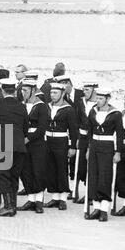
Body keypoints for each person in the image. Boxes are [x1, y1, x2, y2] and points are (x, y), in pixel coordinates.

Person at [0, 78, 28, 217]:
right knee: (14, 176)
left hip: (5, 143)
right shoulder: (22, 107)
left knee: (4, 176)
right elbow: (25, 128)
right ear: (15, 90)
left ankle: (8, 206)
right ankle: (13, 205)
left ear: (3, 91)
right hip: (19, 145)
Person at [85, 88, 123, 222]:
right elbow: (89, 130)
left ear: (107, 99)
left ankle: (104, 210)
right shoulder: (93, 111)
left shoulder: (116, 114)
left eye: (101, 98)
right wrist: (89, 148)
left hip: (107, 147)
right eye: (97, 98)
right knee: (94, 176)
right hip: (95, 145)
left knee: (105, 177)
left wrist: (118, 152)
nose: (98, 101)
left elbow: (119, 134)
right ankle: (96, 207)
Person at [43, 83, 78, 211]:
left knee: (62, 169)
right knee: (50, 169)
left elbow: (73, 130)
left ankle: (62, 198)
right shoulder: (47, 107)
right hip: (48, 141)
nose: (52, 95)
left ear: (62, 94)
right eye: (51, 93)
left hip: (61, 141)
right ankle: (54, 197)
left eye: (55, 93)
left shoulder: (69, 109)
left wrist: (73, 146)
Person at [18, 79, 49, 213]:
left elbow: (42, 128)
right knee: (26, 170)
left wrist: (28, 139)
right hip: (24, 141)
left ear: (33, 90)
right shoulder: (22, 105)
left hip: (37, 142)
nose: (23, 93)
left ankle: (39, 201)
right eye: (22, 90)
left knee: (38, 170)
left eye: (25, 90)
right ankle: (31, 199)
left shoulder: (41, 106)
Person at [73, 81, 98, 203]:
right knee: (80, 166)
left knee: (92, 167)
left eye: (87, 90)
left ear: (94, 90)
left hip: (93, 138)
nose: (84, 92)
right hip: (82, 137)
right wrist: (78, 138)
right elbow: (77, 121)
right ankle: (76, 191)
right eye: (84, 90)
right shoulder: (81, 102)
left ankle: (91, 194)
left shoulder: (100, 103)